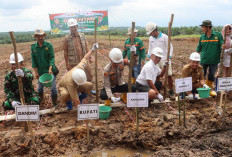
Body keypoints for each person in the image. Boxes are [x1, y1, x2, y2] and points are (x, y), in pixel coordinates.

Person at [58, 43, 98, 110]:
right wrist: (81, 110)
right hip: (64, 87)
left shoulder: (80, 67)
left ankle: (81, 98)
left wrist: (92, 50)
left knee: (89, 85)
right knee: (65, 94)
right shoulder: (70, 83)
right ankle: (68, 102)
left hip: (77, 85)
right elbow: (75, 100)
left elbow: (85, 58)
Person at [145, 22, 175, 100]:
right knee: (157, 75)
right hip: (155, 60)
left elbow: (170, 47)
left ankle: (171, 90)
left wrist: (169, 56)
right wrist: (148, 55)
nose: (150, 34)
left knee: (168, 75)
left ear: (155, 30)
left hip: (165, 59)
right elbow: (150, 47)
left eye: (150, 32)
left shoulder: (164, 37)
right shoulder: (150, 38)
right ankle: (157, 90)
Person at [196, 20, 225, 96]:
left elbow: (221, 44)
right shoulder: (202, 36)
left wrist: (223, 46)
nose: (202, 28)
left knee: (211, 75)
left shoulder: (217, 35)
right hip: (203, 60)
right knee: (202, 74)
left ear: (208, 27)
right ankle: (201, 89)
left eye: (203, 27)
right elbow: (198, 48)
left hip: (214, 60)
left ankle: (208, 90)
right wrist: (194, 56)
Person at [31, 29, 58, 107]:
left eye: (41, 36)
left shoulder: (49, 45)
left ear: (44, 36)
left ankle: (55, 104)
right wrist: (36, 72)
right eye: (38, 36)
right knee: (39, 88)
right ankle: (41, 102)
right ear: (35, 37)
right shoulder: (33, 47)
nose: (40, 38)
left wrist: (50, 68)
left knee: (53, 88)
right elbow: (34, 61)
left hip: (50, 71)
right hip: (40, 72)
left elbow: (52, 58)